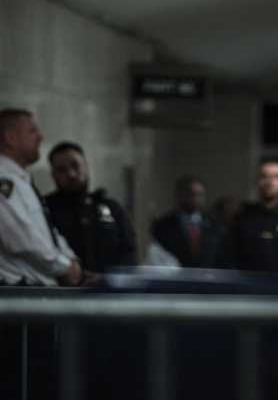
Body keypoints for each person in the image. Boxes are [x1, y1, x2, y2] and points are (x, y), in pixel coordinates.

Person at [0, 109, 82, 286]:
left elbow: (46, 232)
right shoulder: (3, 180)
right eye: (32, 131)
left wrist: (70, 259)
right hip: (20, 294)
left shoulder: (21, 180)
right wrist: (65, 266)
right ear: (10, 138)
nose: (40, 137)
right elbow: (21, 237)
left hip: (38, 291)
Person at [45, 141, 137, 274]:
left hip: (108, 290)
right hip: (62, 291)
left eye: (75, 166)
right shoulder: (45, 209)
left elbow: (129, 255)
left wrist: (107, 280)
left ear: (86, 166)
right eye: (62, 170)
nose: (71, 174)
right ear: (53, 175)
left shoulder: (111, 208)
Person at [151, 176, 223, 268]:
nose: (196, 199)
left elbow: (220, 257)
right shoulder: (162, 225)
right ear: (180, 196)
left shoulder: (215, 225)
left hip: (208, 278)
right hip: (175, 279)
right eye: (192, 194)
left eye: (200, 195)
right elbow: (157, 257)